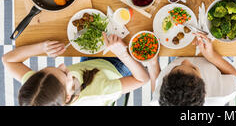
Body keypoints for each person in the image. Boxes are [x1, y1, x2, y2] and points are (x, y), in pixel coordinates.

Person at [2, 33, 150, 106]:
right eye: (65, 74)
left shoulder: (40, 88)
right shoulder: (98, 92)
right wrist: (122, 54)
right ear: (67, 98)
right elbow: (142, 79)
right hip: (120, 69)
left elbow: (7, 60)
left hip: (91, 64)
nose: (63, 66)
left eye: (51, 68)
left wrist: (42, 47)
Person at [148, 33, 236, 106]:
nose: (186, 61)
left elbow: (156, 87)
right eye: (193, 68)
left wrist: (153, 63)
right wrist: (212, 56)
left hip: (179, 54)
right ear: (204, 91)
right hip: (218, 60)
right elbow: (235, 77)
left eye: (175, 68)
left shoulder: (161, 100)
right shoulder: (221, 95)